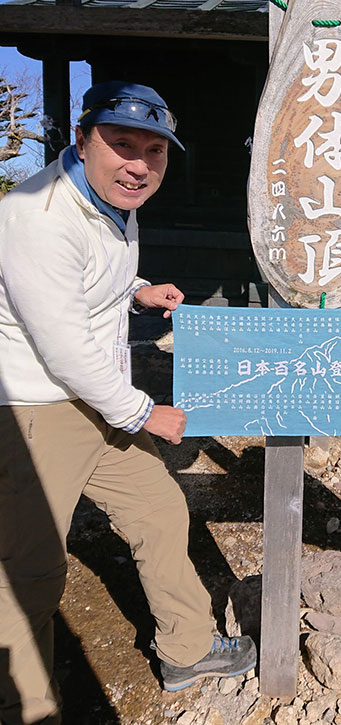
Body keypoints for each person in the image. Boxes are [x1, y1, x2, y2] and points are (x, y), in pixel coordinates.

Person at [0, 81, 255, 725]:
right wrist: (145, 411)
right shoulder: (34, 216)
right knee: (28, 570)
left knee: (159, 507)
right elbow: (65, 349)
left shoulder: (111, 201)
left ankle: (188, 650)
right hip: (35, 408)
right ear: (83, 141)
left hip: (93, 403)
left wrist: (136, 289)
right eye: (120, 144)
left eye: (153, 151)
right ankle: (25, 706)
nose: (138, 164)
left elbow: (93, 276)